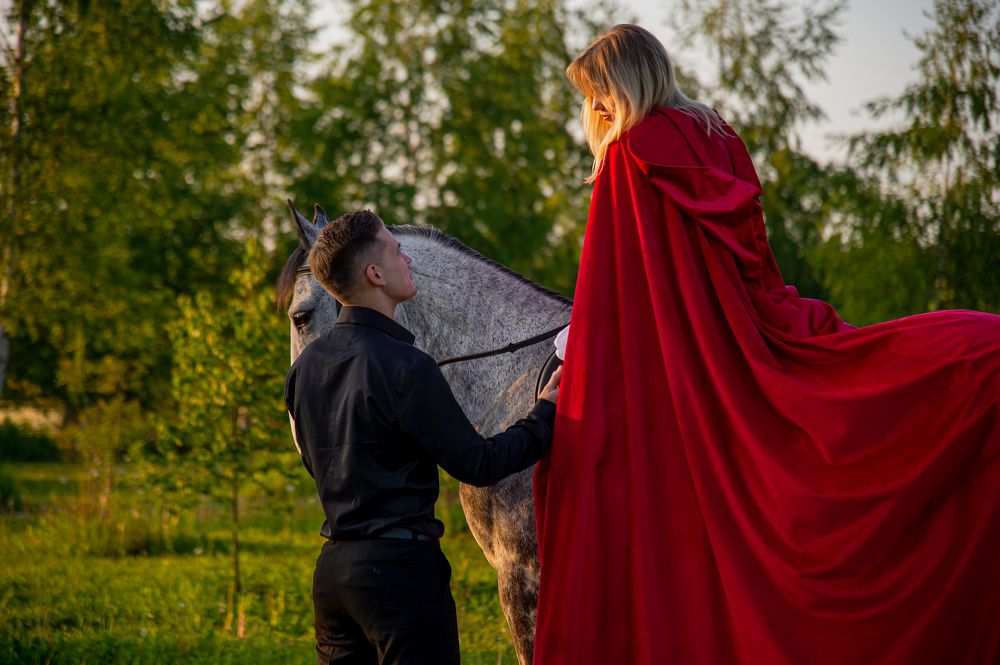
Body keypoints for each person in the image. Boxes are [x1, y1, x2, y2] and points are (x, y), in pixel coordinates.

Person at [533, 24, 1000, 665]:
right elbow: (749, 260)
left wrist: (583, 354)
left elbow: (621, 281)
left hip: (692, 345)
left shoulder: (631, 154)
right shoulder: (715, 134)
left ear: (620, 88)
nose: (596, 111)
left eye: (598, 96)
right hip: (754, 316)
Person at [284, 209, 562, 665]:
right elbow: (479, 464)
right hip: (402, 578)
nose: (408, 261)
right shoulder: (408, 366)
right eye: (397, 252)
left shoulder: (303, 371)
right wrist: (545, 413)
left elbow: (316, 462)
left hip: (332, 577)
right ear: (375, 275)